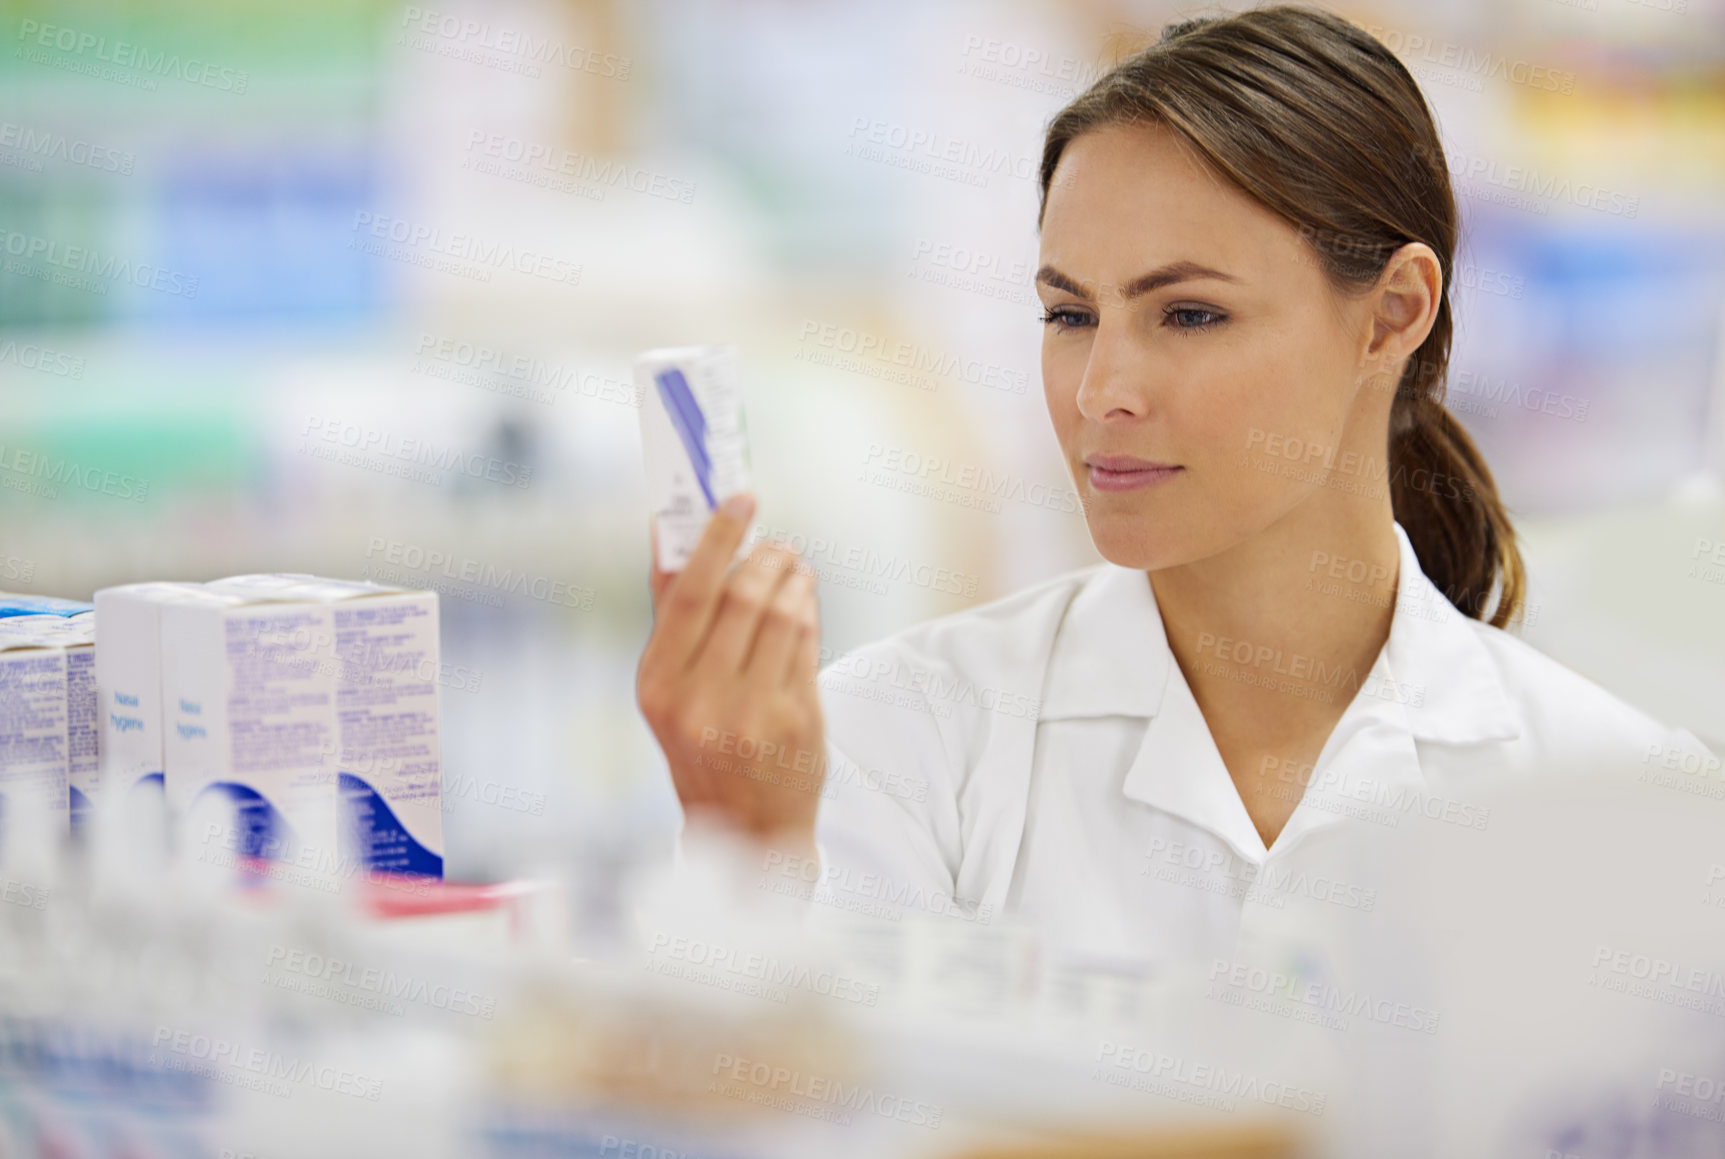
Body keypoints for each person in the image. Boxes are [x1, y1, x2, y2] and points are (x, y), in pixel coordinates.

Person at [635, 6, 1717, 968]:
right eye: (1070, 315)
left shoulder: (1622, 802)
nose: (1102, 389)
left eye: (1189, 314)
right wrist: (754, 856)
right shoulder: (901, 733)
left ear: (1391, 314)